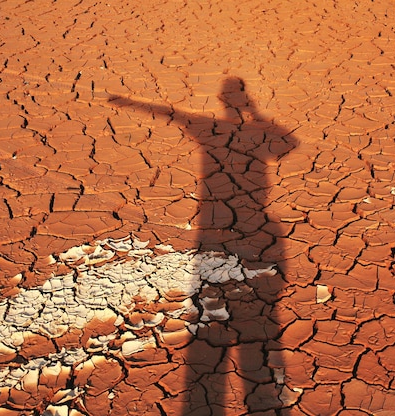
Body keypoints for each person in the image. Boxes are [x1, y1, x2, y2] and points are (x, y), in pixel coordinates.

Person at [109, 77, 298, 414]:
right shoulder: (238, 130)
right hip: (236, 228)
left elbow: (173, 114)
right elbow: (288, 144)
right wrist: (255, 116)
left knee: (211, 313)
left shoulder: (208, 127)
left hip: (219, 229)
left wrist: (131, 103)